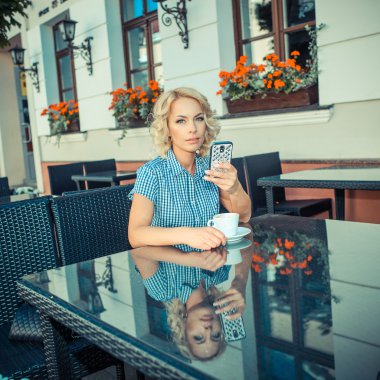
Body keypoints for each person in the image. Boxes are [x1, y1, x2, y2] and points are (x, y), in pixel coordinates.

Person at [128, 87, 251, 252]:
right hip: (170, 269)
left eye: (198, 119)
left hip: (211, 268)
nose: (193, 128)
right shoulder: (151, 172)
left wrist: (235, 188)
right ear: (167, 129)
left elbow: (244, 217)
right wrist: (187, 235)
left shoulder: (211, 168)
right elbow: (136, 235)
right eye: (181, 121)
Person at [131, 244, 252, 360]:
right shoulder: (219, 274)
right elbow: (244, 228)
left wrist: (188, 259)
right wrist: (241, 279)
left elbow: (137, 250)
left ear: (184, 330)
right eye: (215, 336)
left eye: (198, 338)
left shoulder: (162, 289)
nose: (208, 330)